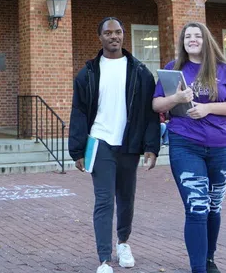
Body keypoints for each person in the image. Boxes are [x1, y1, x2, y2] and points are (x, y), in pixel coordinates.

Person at [152, 22, 226, 273]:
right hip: (185, 145)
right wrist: (177, 99)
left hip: (220, 148)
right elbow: (157, 105)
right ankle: (198, 269)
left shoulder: (224, 70)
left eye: (197, 36)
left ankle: (209, 259)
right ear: (182, 42)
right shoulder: (174, 70)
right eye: (187, 36)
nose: (192, 40)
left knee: (213, 207)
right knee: (196, 207)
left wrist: (208, 108)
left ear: (206, 40)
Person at [69, 17, 160, 273]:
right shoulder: (88, 72)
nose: (114, 36)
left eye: (118, 32)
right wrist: (77, 149)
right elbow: (78, 111)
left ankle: (123, 243)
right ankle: (104, 259)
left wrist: (151, 146)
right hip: (100, 143)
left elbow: (149, 113)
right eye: (108, 33)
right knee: (104, 200)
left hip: (128, 144)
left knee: (126, 198)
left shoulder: (140, 72)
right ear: (100, 37)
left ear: (123, 36)